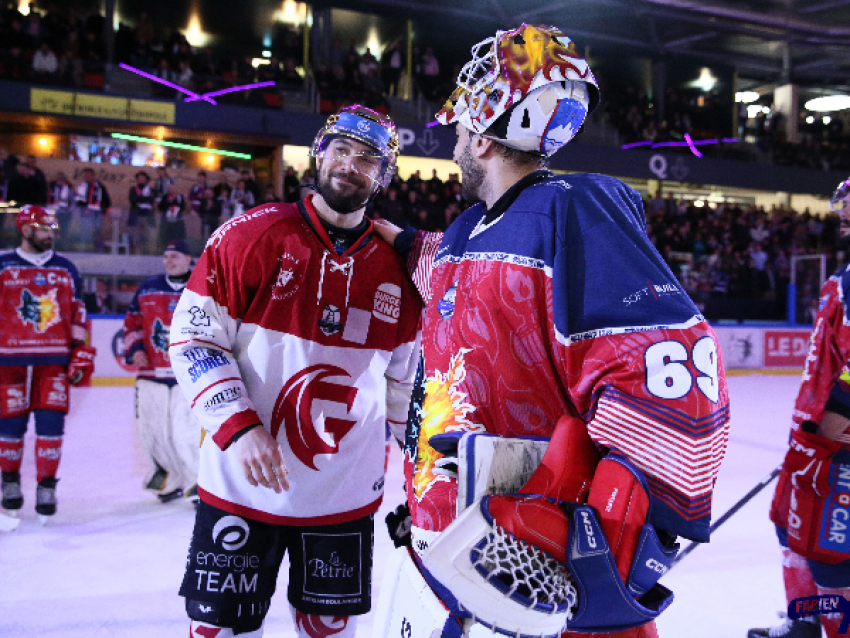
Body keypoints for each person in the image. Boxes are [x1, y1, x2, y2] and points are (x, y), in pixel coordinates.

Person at [372, 24, 731, 638]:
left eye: (461, 124)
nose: (454, 136)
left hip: (530, 576)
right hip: (444, 553)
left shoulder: (576, 209)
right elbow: (452, 277)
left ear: (484, 137)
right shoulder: (466, 231)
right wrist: (390, 236)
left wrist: (599, 548)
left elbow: (677, 377)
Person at [168, 105, 422, 638]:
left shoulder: (400, 268)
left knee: (329, 632)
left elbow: (404, 385)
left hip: (343, 495)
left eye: (368, 158)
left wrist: (425, 468)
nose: (350, 165)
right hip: (241, 485)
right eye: (341, 150)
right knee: (218, 631)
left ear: (383, 175)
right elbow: (194, 339)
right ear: (319, 153)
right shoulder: (249, 237)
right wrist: (239, 427)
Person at [749, 178, 850, 638]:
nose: (842, 220)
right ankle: (805, 619)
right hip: (814, 438)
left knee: (830, 549)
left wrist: (833, 431)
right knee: (788, 520)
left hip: (836, 442)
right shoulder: (845, 280)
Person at [0, 205, 96, 522]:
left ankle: (46, 485)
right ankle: (10, 480)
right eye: (44, 229)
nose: (50, 234)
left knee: (51, 428)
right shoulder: (3, 264)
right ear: (25, 230)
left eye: (52, 229)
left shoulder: (66, 268)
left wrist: (79, 350)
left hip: (53, 361)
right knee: (10, 428)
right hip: (9, 361)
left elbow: (78, 312)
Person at [124, 239, 200, 505]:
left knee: (186, 432)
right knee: (153, 432)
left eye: (175, 256)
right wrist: (134, 349)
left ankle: (198, 484)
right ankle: (168, 479)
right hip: (152, 375)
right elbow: (132, 323)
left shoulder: (203, 285)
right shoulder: (148, 288)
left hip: (190, 375)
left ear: (189, 259)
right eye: (166, 256)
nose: (169, 260)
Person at [73, 167, 110, 252]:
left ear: (93, 176)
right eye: (85, 175)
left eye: (89, 175)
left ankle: (99, 251)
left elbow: (106, 199)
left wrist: (104, 209)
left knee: (98, 232)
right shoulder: (82, 186)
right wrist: (84, 208)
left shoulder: (100, 186)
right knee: (85, 232)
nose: (87, 177)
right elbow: (79, 200)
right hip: (86, 212)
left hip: (97, 212)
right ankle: (81, 250)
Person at [128, 171, 155, 254]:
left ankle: (150, 254)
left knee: (150, 236)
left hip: (148, 215)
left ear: (146, 179)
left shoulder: (151, 190)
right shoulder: (133, 189)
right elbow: (133, 199)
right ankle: (137, 254)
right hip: (136, 215)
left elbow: (152, 200)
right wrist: (146, 199)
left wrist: (141, 198)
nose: (141, 180)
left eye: (143, 178)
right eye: (139, 178)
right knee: (136, 237)